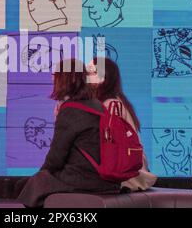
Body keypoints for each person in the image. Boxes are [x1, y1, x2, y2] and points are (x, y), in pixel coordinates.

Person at [16, 59, 120, 208]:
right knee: (31, 184)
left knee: (28, 185)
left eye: (55, 74)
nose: (52, 78)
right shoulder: (97, 105)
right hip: (104, 179)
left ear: (66, 78)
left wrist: (40, 175)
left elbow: (56, 158)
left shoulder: (71, 110)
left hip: (84, 178)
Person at [88, 57, 156, 191]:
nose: (85, 75)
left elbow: (110, 147)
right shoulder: (114, 101)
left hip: (126, 169)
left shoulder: (111, 105)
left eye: (91, 72)